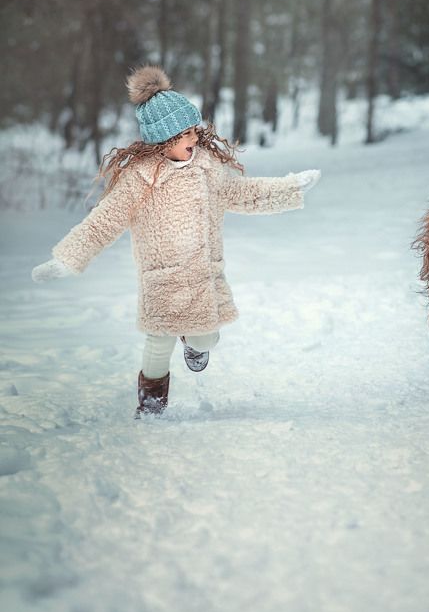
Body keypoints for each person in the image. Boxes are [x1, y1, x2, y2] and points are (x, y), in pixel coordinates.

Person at [32, 65, 320, 417]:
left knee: (205, 338)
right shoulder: (140, 179)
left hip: (203, 278)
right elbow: (101, 222)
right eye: (184, 134)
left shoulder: (208, 168)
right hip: (162, 280)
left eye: (194, 131)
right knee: (157, 342)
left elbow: (243, 193)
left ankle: (195, 343)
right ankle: (151, 404)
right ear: (163, 138)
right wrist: (67, 259)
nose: (193, 139)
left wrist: (290, 188)